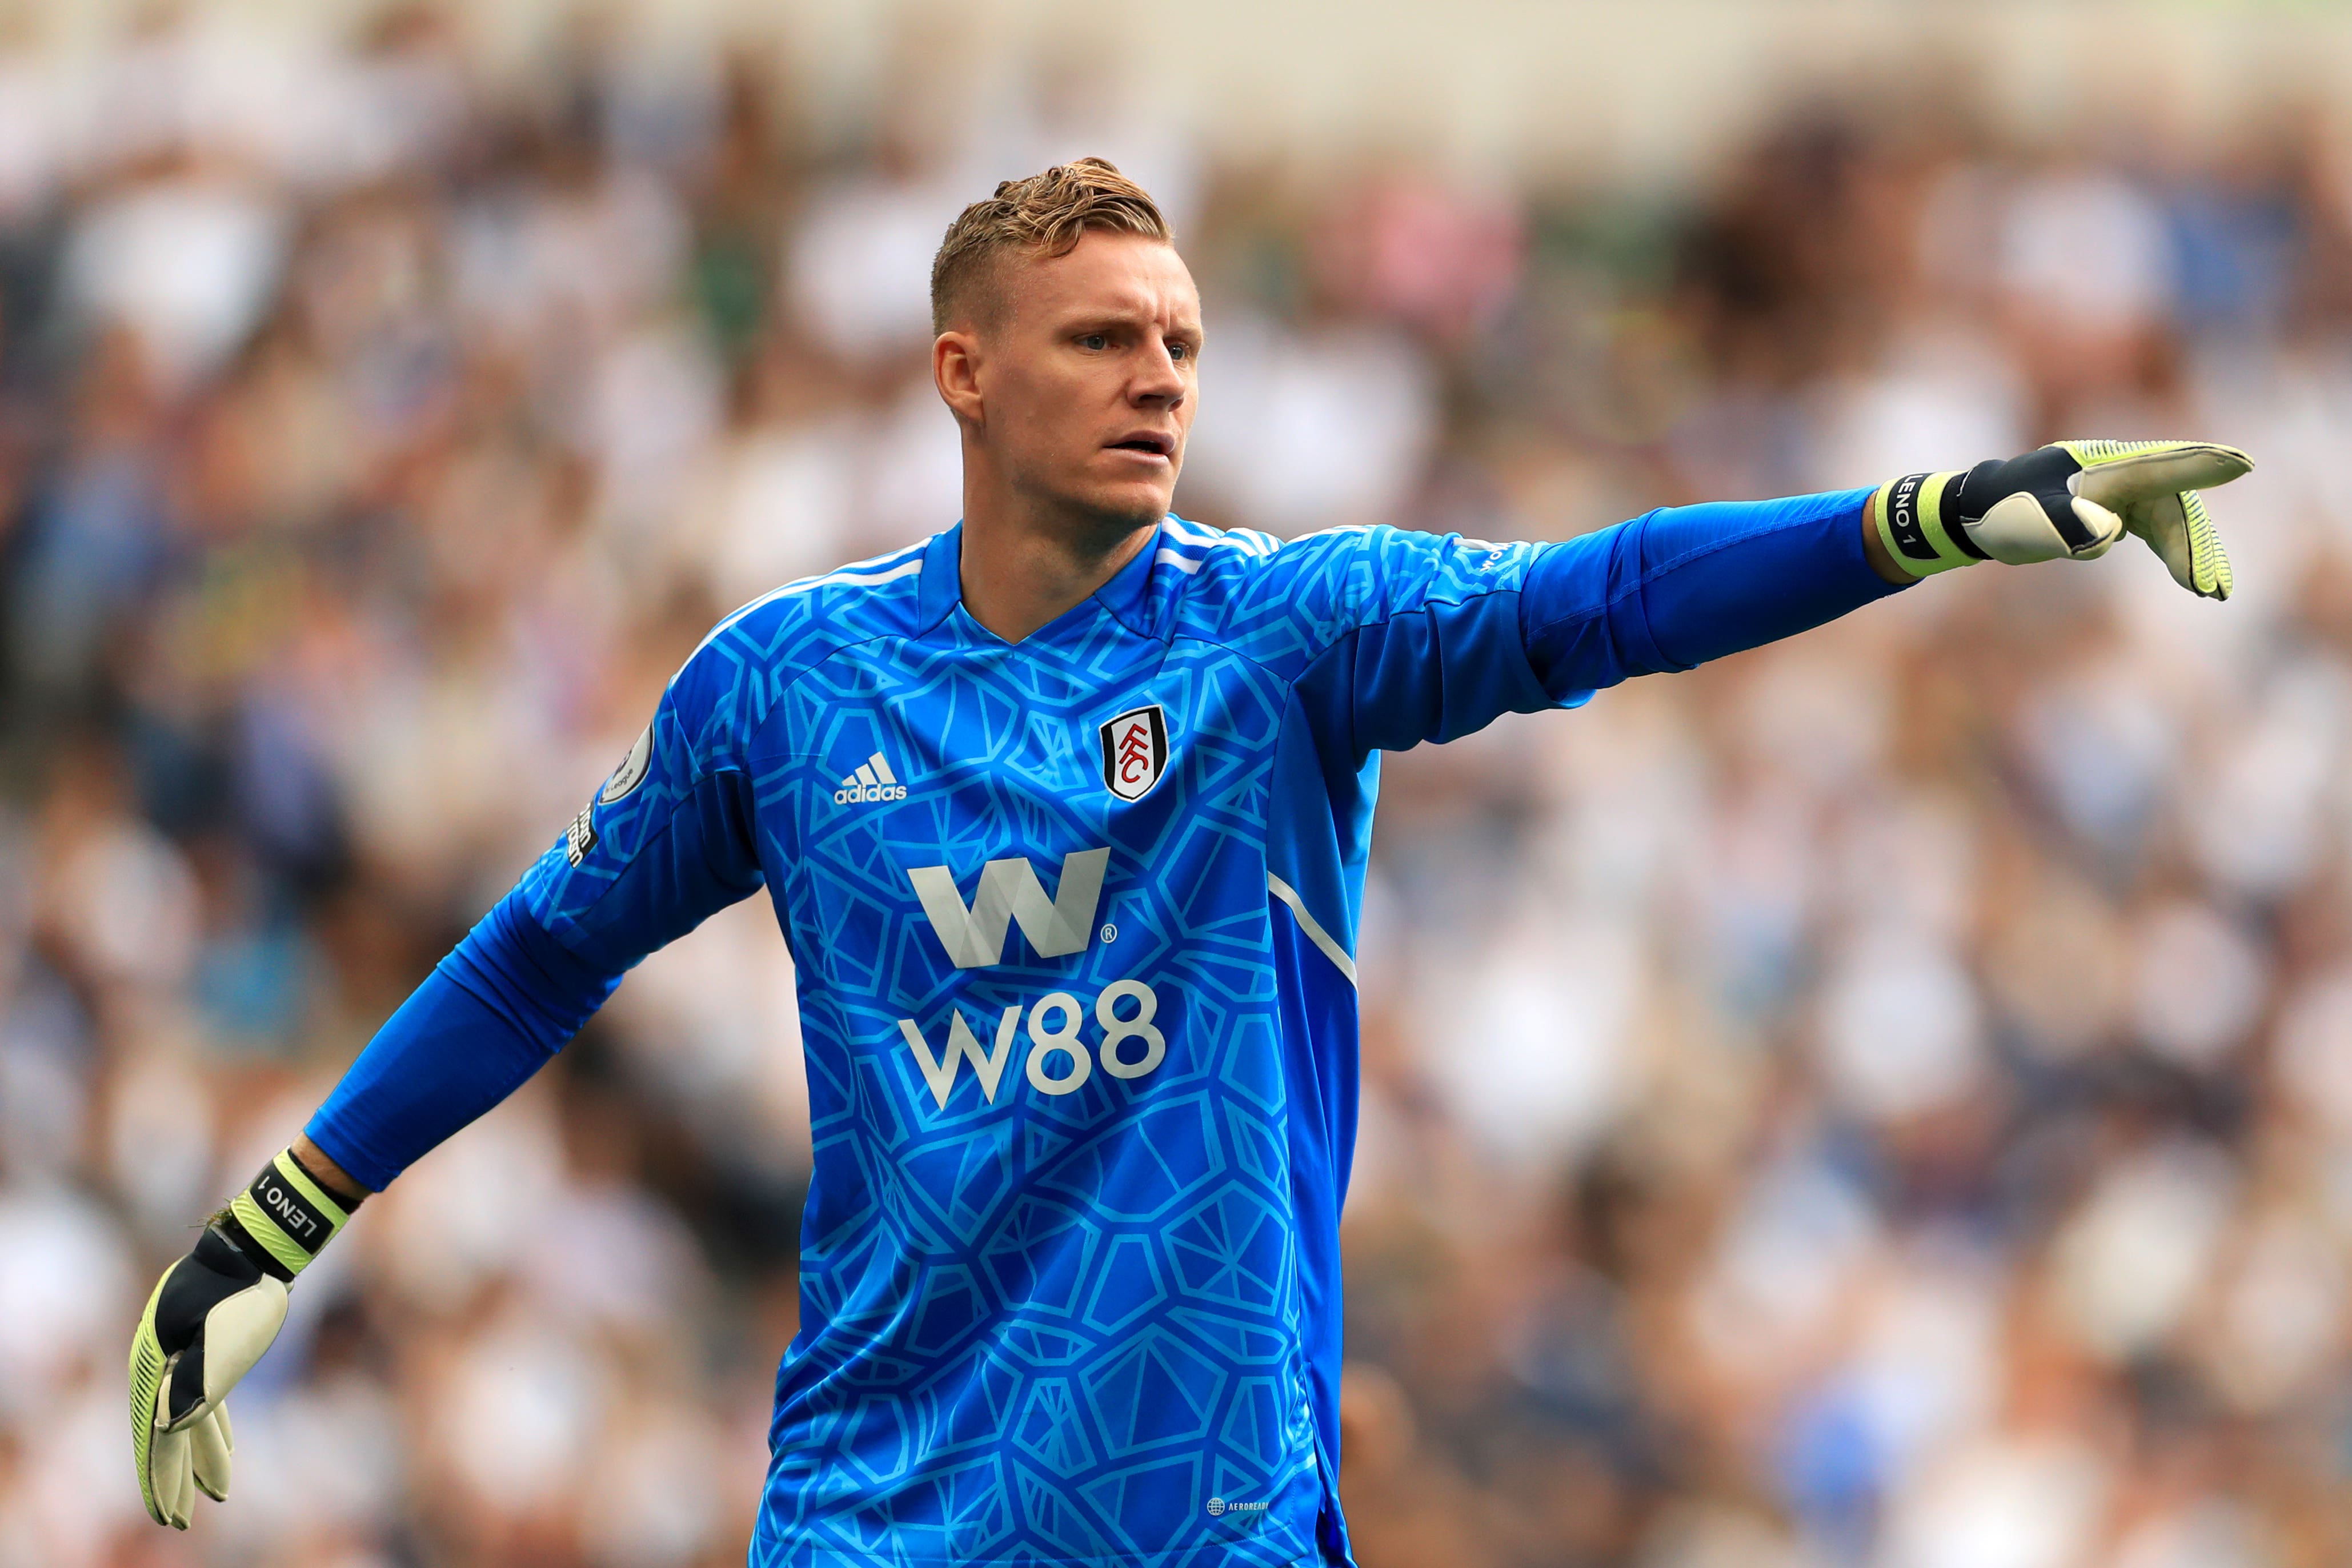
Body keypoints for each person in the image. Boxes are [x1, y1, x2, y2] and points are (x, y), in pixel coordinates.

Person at [129, 157, 2250, 1565]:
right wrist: (269, 1230)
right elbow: (534, 956)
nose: (1161, 376)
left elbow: (1599, 595)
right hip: (875, 1515)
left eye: (1183, 343)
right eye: (1101, 338)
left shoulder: (1281, 637)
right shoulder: (784, 688)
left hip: (1203, 1515)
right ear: (963, 371)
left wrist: (1929, 516)